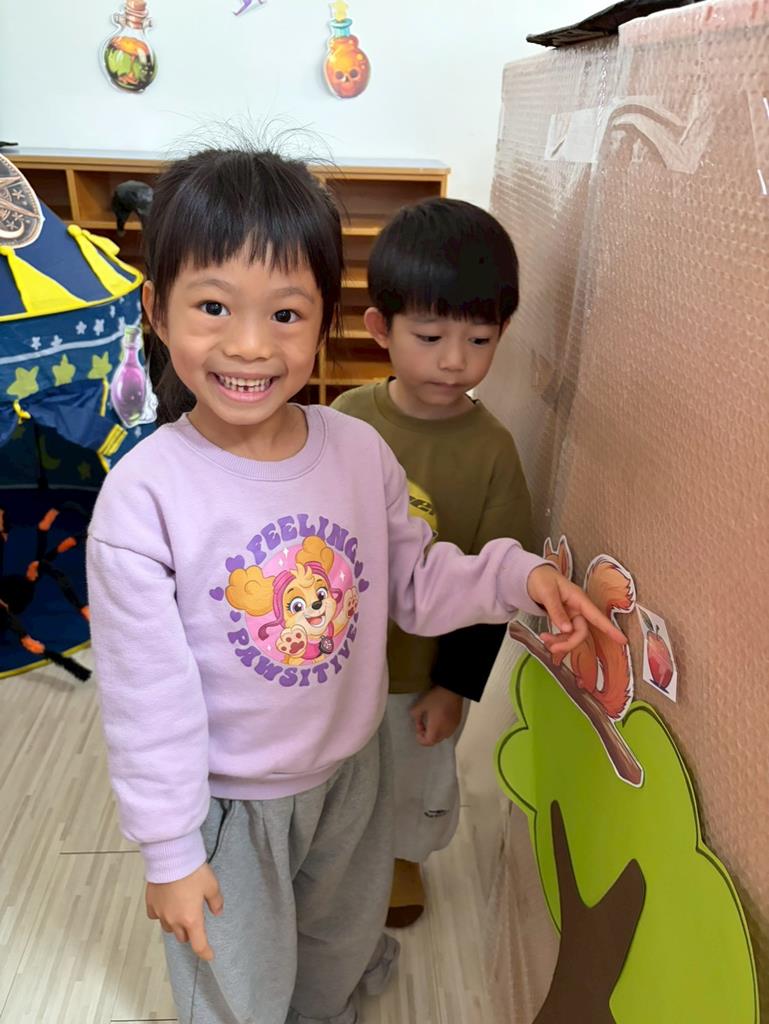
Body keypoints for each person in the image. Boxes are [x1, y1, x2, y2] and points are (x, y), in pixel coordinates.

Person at [86, 148, 626, 1024]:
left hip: (352, 768)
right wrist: (170, 851)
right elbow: (145, 699)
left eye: (285, 313)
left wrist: (519, 577)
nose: (250, 345)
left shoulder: (355, 450)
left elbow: (413, 580)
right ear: (156, 308)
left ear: (324, 320)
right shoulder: (144, 498)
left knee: (337, 942)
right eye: (213, 306)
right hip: (229, 801)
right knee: (236, 982)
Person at [332, 197, 534, 927]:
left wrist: (454, 687)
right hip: (335, 658)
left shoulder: (493, 451)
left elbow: (497, 582)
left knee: (414, 774)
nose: (455, 360)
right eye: (429, 336)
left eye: (479, 338)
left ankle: (401, 859)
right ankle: (335, 860)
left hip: (422, 670)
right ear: (379, 327)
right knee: (337, 775)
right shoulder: (343, 422)